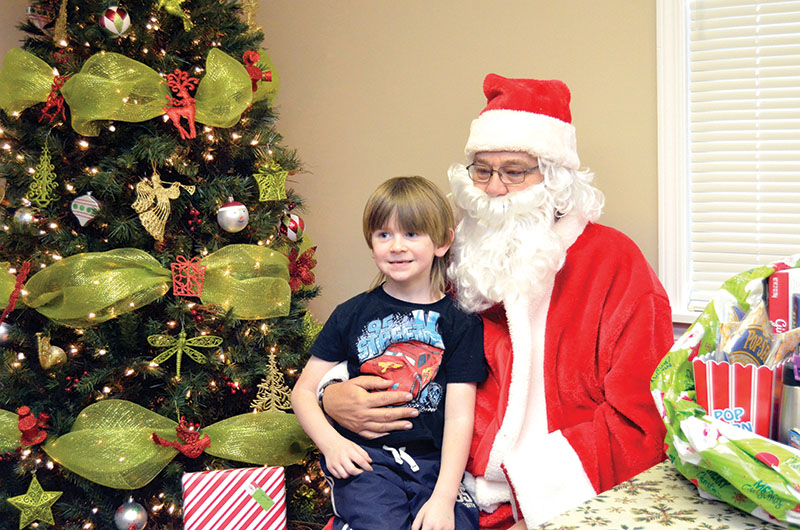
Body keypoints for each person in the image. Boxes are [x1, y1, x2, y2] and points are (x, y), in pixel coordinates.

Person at [319, 74, 674, 529]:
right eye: (482, 170)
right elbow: (379, 328)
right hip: (429, 479)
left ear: (556, 177)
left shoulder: (613, 262)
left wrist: (540, 502)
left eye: (514, 171)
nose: (492, 188)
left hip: (556, 498)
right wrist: (332, 394)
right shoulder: (453, 254)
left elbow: (642, 415)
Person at [292, 176, 487, 529]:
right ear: (371, 244)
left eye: (411, 234)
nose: (396, 246)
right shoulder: (351, 313)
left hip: (432, 464)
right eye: (384, 235)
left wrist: (444, 497)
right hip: (367, 462)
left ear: (442, 242)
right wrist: (332, 444)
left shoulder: (462, 323)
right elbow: (303, 392)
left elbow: (460, 417)